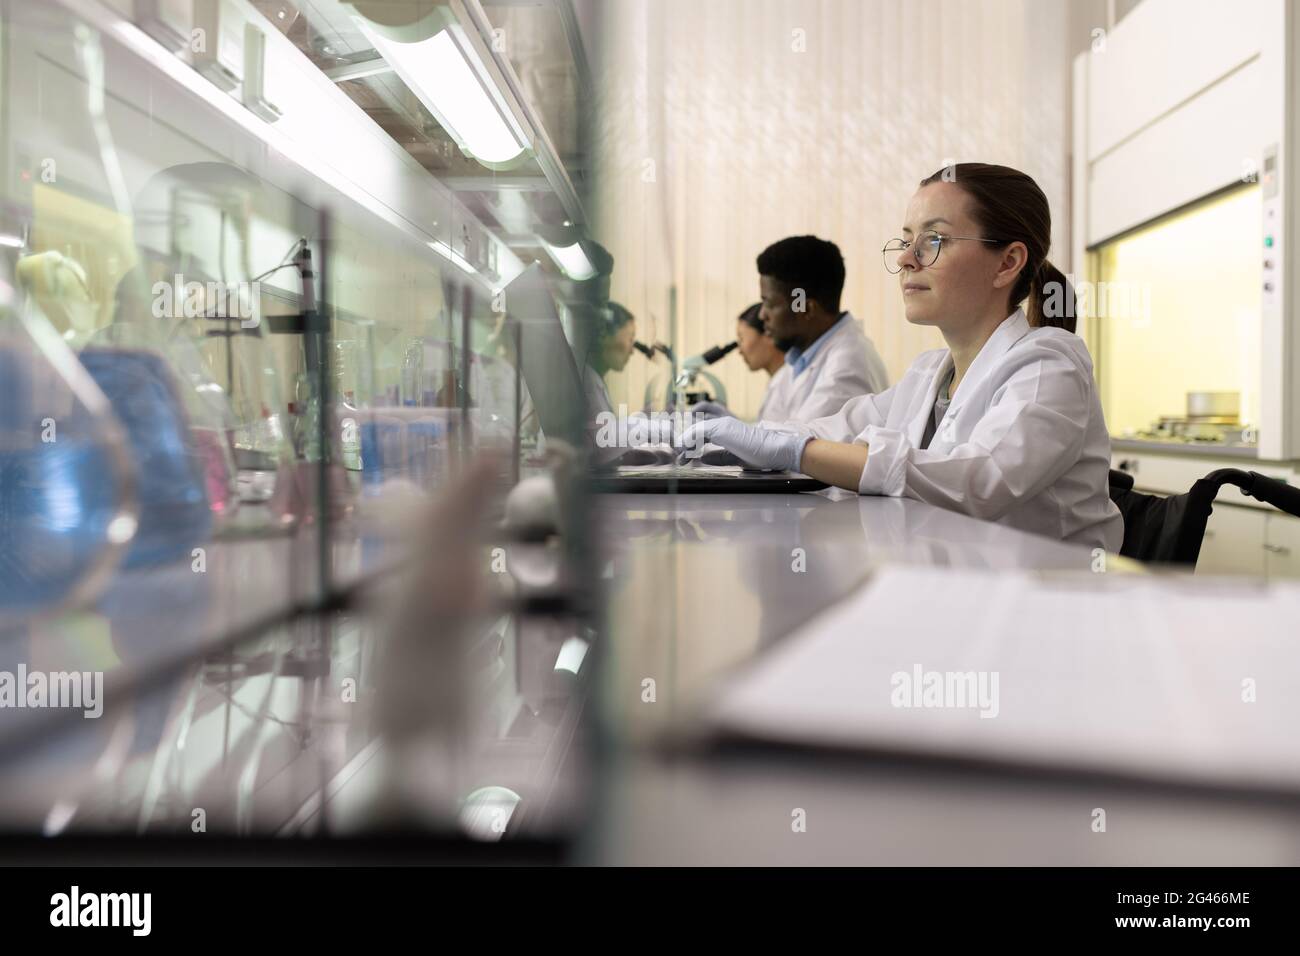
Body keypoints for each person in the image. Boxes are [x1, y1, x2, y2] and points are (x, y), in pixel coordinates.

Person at [679, 163, 1123, 551]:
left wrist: (795, 450)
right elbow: (838, 428)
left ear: (1006, 263)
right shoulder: (929, 373)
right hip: (964, 597)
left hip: (1048, 616)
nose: (907, 260)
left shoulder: (1051, 363)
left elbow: (983, 480)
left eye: (934, 240)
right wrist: (738, 439)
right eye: (906, 241)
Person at [755, 235, 889, 422]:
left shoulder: (848, 367)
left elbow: (795, 444)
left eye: (769, 304)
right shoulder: (801, 360)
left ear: (805, 308)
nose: (762, 315)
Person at [691, 303, 784, 421]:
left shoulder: (788, 383)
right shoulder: (776, 382)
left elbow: (784, 436)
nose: (739, 350)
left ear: (768, 334)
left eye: (741, 339)